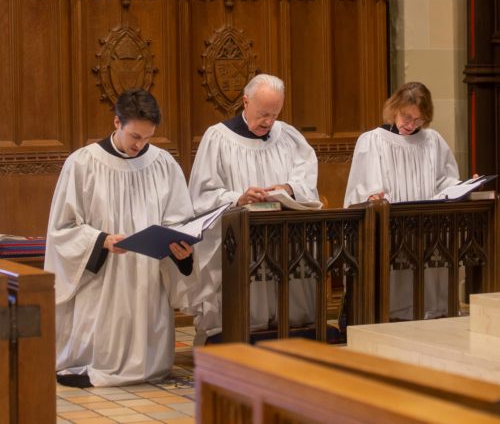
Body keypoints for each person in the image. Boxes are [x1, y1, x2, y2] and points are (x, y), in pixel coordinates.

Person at [45, 89, 195, 387]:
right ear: (117, 123)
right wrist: (101, 239)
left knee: (149, 350)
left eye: (148, 138)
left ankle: (145, 365)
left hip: (147, 272)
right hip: (104, 274)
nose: (140, 145)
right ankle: (91, 366)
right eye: (135, 136)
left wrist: (182, 246)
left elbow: (180, 218)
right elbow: (61, 229)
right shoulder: (83, 164)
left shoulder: (163, 164)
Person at [188, 73, 319, 342]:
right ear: (245, 102)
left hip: (284, 233)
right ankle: (238, 331)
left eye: (274, 114)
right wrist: (239, 197)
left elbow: (306, 174)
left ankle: (292, 328)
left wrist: (289, 188)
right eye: (263, 114)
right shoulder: (218, 138)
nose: (269, 122)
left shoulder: (288, 136)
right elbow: (201, 194)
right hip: (239, 235)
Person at [344, 81, 460, 319]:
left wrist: (463, 187)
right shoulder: (373, 140)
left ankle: (432, 313)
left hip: (426, 229)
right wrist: (371, 197)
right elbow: (360, 188)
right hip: (389, 229)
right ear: (395, 108)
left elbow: (445, 181)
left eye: (418, 120)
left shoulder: (433, 141)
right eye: (407, 117)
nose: (410, 125)